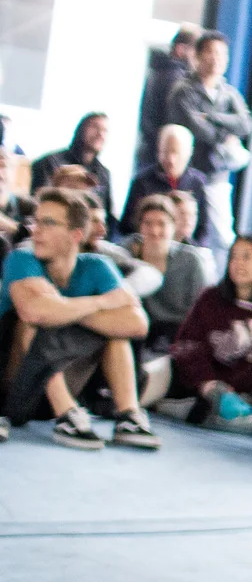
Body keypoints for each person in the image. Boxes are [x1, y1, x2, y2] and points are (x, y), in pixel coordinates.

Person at [1, 188, 157, 450]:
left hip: (67, 379)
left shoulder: (98, 266)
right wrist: (101, 303)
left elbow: (137, 323)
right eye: (35, 221)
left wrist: (60, 307)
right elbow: (34, 312)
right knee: (31, 325)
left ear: (75, 235)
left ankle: (129, 416)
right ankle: (68, 416)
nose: (36, 230)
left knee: (116, 334)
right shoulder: (22, 259)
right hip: (14, 387)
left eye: (48, 223)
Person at [161, 234, 252, 427]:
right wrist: (208, 384)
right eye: (233, 256)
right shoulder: (211, 297)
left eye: (247, 256)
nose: (238, 263)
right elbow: (187, 345)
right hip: (210, 389)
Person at [166, 31, 252, 247]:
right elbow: (199, 130)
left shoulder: (228, 93)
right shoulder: (183, 91)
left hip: (217, 176)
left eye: (222, 54)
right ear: (198, 55)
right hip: (189, 173)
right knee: (184, 232)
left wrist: (212, 117)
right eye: (211, 52)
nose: (216, 59)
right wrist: (226, 135)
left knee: (222, 238)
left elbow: (245, 124)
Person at [127, 194, 216, 351]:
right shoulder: (127, 255)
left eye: (162, 224)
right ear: (140, 226)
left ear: (174, 226)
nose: (155, 231)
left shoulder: (190, 260)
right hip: (139, 330)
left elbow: (202, 310)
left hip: (179, 333)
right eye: (148, 223)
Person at [121, 125, 214, 247]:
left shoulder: (198, 183)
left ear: (189, 153)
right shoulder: (142, 182)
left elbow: (204, 229)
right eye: (165, 152)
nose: (170, 159)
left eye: (176, 153)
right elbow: (126, 227)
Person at [30, 114, 114, 216]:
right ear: (81, 130)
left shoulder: (104, 173)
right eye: (95, 127)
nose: (100, 134)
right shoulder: (50, 162)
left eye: (105, 130)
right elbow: (39, 203)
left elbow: (107, 215)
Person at [138, 27, 200, 166]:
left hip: (151, 150)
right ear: (181, 49)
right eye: (196, 51)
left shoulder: (158, 73)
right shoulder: (176, 80)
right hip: (163, 154)